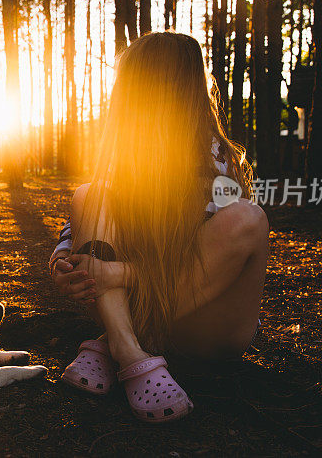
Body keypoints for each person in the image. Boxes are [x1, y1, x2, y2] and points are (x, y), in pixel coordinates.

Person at [48, 32, 268, 423]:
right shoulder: (125, 155)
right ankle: (129, 351)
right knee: (89, 196)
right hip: (145, 315)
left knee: (247, 219)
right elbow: (83, 224)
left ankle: (117, 340)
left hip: (209, 326)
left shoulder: (217, 159)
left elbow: (195, 258)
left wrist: (120, 272)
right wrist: (63, 259)